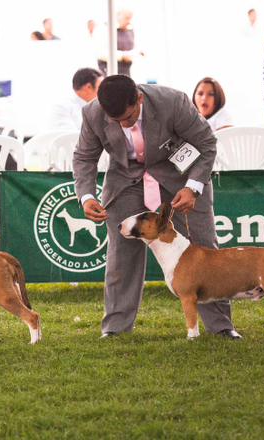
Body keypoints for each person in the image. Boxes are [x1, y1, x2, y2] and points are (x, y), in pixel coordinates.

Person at [72, 75, 240, 339]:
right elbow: (84, 156)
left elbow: (206, 143)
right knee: (120, 255)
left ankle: (221, 326)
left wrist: (194, 187)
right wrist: (85, 196)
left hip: (180, 178)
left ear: (138, 98)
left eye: (127, 119)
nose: (122, 125)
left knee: (204, 249)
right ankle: (115, 328)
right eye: (115, 121)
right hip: (126, 182)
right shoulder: (92, 112)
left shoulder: (172, 102)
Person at [48, 67, 103, 132]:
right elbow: (68, 137)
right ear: (89, 87)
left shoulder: (98, 108)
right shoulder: (62, 107)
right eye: (100, 86)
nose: (104, 91)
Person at [117, 8, 143, 77]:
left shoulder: (130, 29)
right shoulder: (105, 28)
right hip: (109, 72)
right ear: (118, 15)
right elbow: (100, 52)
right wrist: (122, 55)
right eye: (126, 18)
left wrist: (138, 52)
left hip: (126, 72)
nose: (128, 21)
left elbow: (134, 46)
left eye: (130, 18)